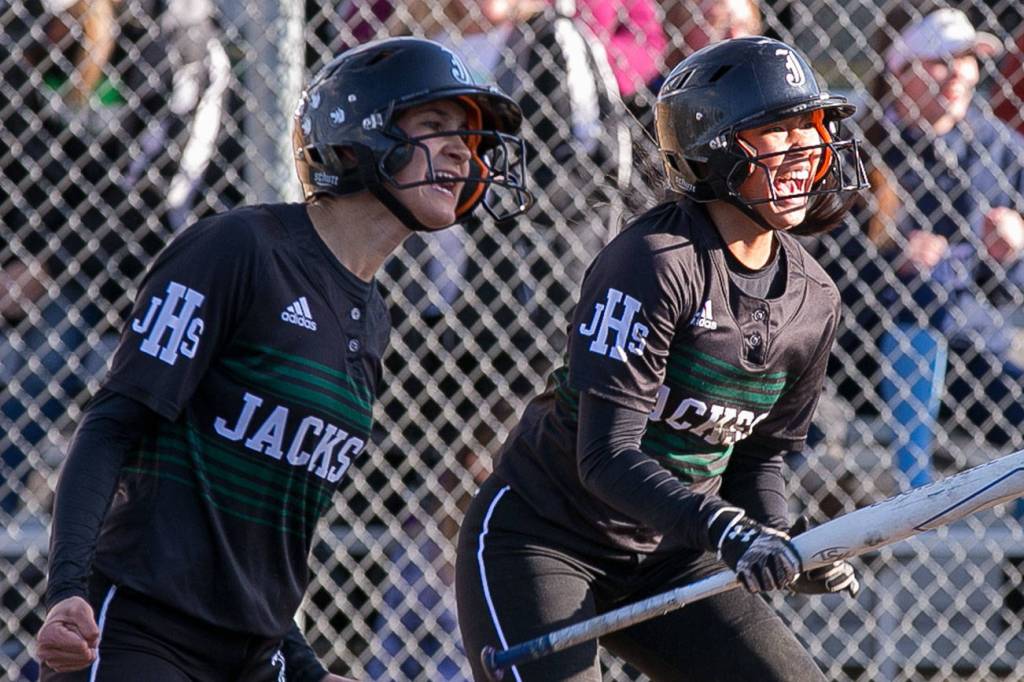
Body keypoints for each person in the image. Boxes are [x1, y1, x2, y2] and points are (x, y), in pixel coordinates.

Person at [33, 36, 530, 681]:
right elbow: (111, 425)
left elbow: (260, 547)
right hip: (141, 631)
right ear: (360, 134)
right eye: (437, 125)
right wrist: (67, 590)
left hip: (253, 655)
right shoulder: (239, 249)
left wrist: (307, 667)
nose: (465, 151)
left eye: (470, 137)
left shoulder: (375, 318)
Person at [455, 36, 868, 681]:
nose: (805, 150)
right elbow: (606, 457)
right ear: (714, 147)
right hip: (546, 536)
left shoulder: (814, 300)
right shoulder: (655, 262)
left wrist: (780, 542)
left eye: (811, 127)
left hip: (674, 548)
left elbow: (759, 457)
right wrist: (729, 531)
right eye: (777, 131)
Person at [860, 7, 1023, 486]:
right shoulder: (862, 149)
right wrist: (890, 260)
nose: (958, 74)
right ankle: (914, 495)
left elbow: (1008, 291)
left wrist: (1012, 253)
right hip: (868, 352)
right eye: (939, 61)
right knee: (919, 300)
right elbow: (827, 266)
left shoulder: (1001, 148)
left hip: (974, 348)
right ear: (899, 71)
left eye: (967, 59)